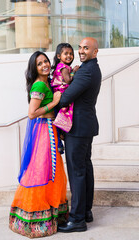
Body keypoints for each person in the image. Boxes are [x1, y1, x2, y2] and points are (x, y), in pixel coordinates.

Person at [9, 51, 68, 238]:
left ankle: (49, 215)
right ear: (34, 68)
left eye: (45, 61)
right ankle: (36, 220)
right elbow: (32, 113)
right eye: (39, 63)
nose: (44, 65)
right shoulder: (40, 84)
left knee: (51, 171)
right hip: (44, 131)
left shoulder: (47, 82)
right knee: (42, 171)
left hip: (48, 129)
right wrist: (55, 102)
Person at [57, 37, 102, 233]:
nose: (81, 51)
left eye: (86, 48)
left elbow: (66, 97)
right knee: (85, 169)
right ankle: (85, 212)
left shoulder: (86, 71)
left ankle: (77, 220)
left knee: (77, 172)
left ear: (95, 51)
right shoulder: (88, 69)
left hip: (78, 128)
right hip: (85, 126)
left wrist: (55, 96)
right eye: (80, 47)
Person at [51, 43, 79, 133]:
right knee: (68, 108)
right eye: (66, 53)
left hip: (59, 90)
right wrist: (74, 71)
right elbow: (68, 81)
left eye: (71, 54)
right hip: (62, 90)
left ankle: (62, 129)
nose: (69, 56)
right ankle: (62, 129)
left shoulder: (61, 66)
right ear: (59, 56)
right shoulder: (64, 67)